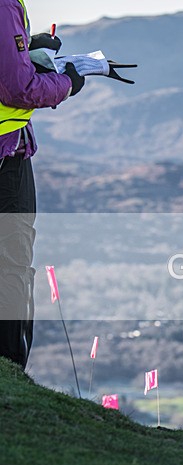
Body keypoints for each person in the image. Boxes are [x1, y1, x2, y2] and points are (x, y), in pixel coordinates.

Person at [1, 0, 85, 370]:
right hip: (5, 155)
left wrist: (25, 46)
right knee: (12, 264)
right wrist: (67, 84)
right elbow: (18, 90)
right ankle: (10, 366)